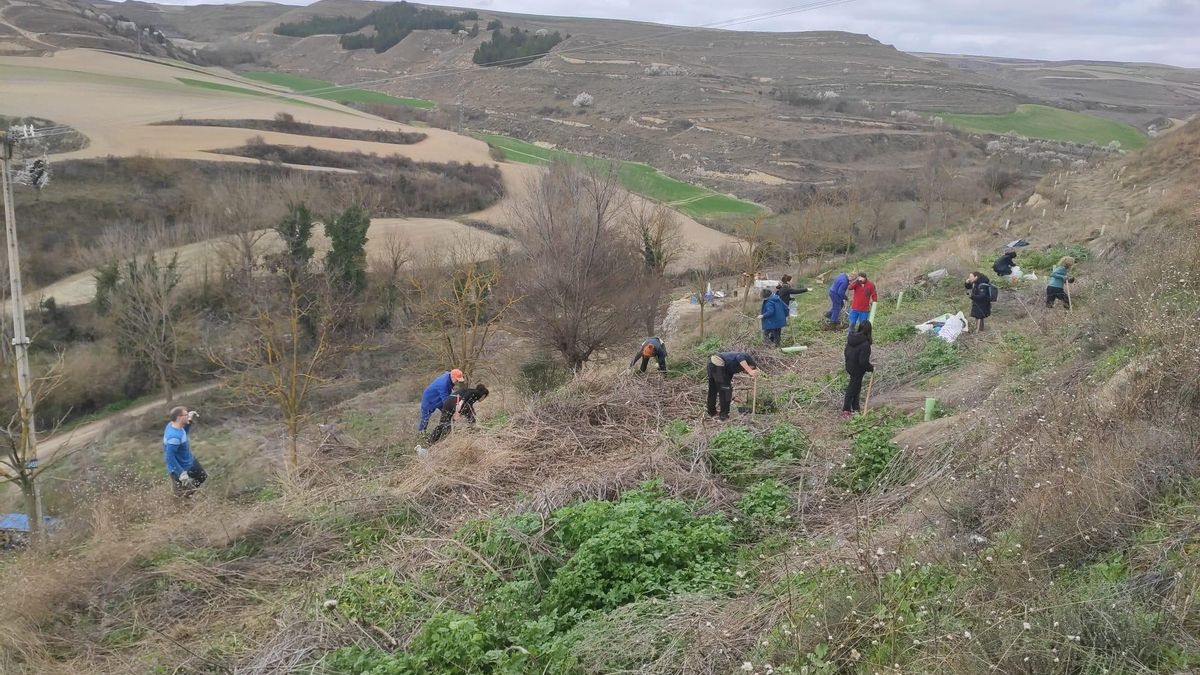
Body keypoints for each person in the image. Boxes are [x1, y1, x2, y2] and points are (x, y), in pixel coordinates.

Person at [164, 406, 206, 496]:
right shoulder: (174, 437)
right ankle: (186, 498)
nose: (188, 415)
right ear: (179, 418)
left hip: (190, 461)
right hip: (180, 467)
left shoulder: (174, 425)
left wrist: (189, 420)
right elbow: (169, 457)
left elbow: (183, 432)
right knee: (179, 496)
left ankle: (189, 493)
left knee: (202, 476)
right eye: (186, 415)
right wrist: (181, 473)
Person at [706, 351, 759, 421]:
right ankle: (724, 416)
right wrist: (750, 371)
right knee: (725, 391)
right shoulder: (746, 357)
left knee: (714, 389)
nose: (746, 373)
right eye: (747, 372)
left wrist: (732, 397)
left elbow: (726, 382)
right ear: (751, 366)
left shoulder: (734, 367)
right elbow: (740, 357)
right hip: (718, 363)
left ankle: (711, 412)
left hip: (713, 364)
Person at [842, 321, 874, 418]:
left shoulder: (852, 338)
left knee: (856, 387)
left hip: (849, 366)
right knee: (852, 389)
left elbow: (846, 351)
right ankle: (846, 410)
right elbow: (863, 362)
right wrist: (870, 368)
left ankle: (856, 408)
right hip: (857, 370)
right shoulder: (865, 344)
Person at [419, 368, 466, 432]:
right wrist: (455, 410)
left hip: (439, 397)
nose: (458, 382)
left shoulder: (449, 375)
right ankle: (421, 433)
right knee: (425, 418)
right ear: (452, 376)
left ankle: (448, 429)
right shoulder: (443, 384)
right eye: (457, 380)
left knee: (448, 413)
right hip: (429, 399)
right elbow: (446, 401)